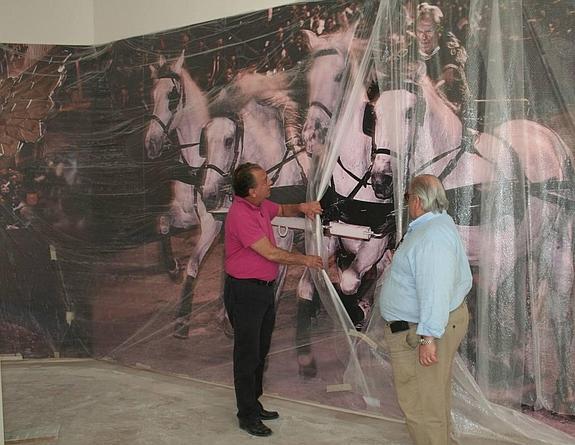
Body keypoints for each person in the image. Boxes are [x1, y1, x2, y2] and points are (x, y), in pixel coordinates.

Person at [224, 162, 323, 437]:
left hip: (263, 291)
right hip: (245, 292)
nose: (270, 183)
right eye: (265, 181)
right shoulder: (240, 215)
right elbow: (271, 253)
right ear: (252, 191)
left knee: (260, 350)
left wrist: (303, 207)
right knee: (247, 354)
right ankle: (246, 415)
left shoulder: (259, 205)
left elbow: (282, 210)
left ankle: (253, 404)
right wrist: (306, 260)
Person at [378, 174, 472, 445]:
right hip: (421, 326)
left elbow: (435, 290)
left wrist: (428, 337)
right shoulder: (436, 224)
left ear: (417, 200)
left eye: (408, 197)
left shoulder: (431, 236)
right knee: (431, 396)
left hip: (419, 330)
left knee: (421, 402)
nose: (408, 203)